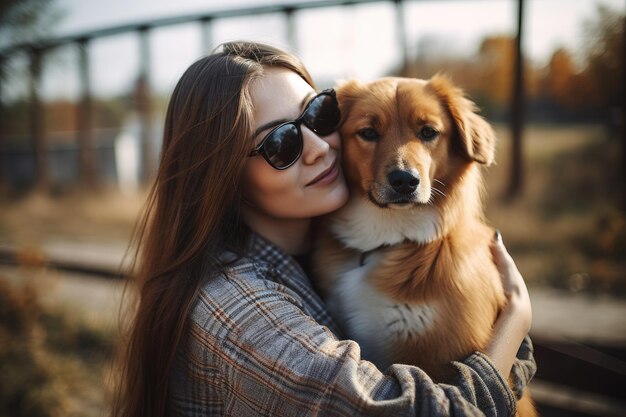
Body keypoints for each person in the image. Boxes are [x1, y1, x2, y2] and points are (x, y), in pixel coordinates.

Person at [111, 41, 535, 417]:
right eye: (279, 143)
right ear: (221, 177)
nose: (318, 147)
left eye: (317, 115)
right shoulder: (241, 313)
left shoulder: (310, 257)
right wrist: (514, 325)